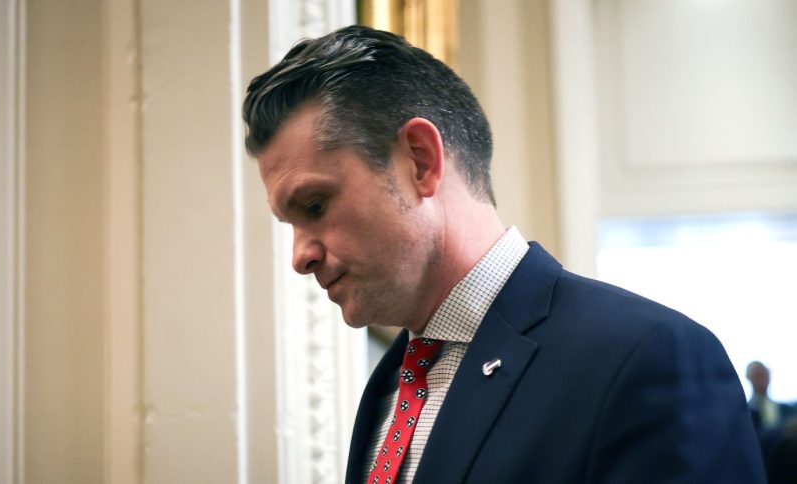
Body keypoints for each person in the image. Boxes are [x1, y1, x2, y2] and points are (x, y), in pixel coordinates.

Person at [243, 25, 765, 483]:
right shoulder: (390, 382)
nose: (300, 256)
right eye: (290, 224)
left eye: (314, 204)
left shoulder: (648, 358)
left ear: (420, 161)